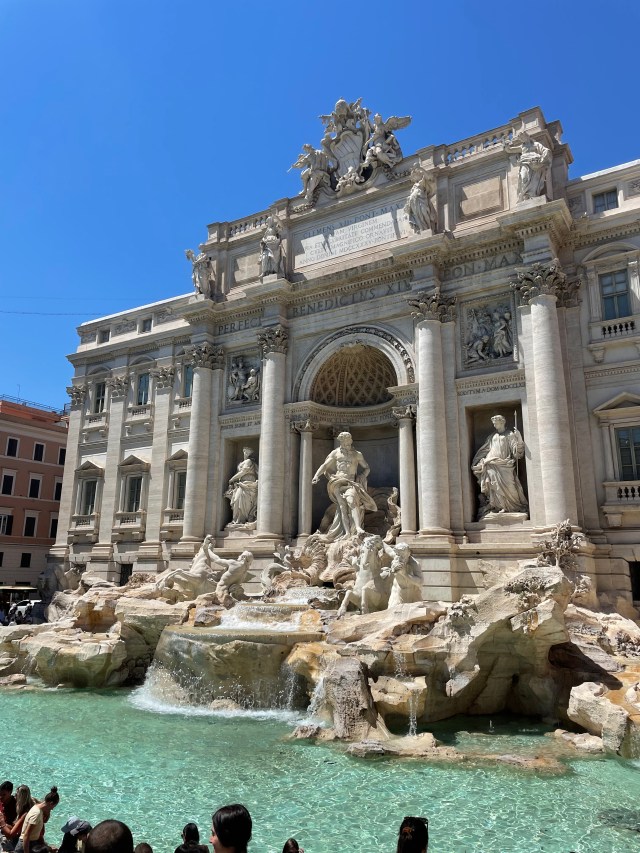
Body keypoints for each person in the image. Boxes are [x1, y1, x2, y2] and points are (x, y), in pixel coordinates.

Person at [312, 431, 377, 540]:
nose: (345, 443)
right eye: (343, 441)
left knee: (351, 501)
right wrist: (316, 476)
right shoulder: (335, 453)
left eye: (347, 440)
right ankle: (347, 532)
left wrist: (362, 476)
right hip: (338, 482)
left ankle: (357, 528)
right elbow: (325, 465)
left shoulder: (357, 454)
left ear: (350, 440)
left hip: (350, 482)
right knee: (342, 507)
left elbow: (367, 468)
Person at [471, 414, 528, 519]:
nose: (494, 425)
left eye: (496, 423)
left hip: (505, 465)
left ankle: (514, 507)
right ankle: (499, 507)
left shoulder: (509, 434)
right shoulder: (492, 436)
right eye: (493, 423)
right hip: (491, 464)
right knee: (494, 486)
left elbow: (517, 452)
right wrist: (478, 462)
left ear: (502, 422)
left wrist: (519, 438)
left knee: (510, 487)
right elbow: (485, 449)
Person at [15, 786, 59, 853]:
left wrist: (48, 848)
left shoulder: (37, 807)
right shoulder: (37, 814)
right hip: (25, 846)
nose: (52, 809)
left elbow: (38, 830)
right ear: (51, 803)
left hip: (31, 843)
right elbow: (26, 835)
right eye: (54, 806)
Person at [225, 448, 258, 525]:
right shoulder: (242, 463)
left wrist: (232, 479)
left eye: (248, 452)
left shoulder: (248, 461)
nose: (246, 453)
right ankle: (237, 520)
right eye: (245, 451)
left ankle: (242, 520)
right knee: (236, 500)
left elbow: (244, 471)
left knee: (243, 502)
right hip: (241, 483)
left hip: (248, 484)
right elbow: (240, 472)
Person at [1, 786, 35, 851]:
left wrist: (1, 820)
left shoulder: (25, 813)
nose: (14, 797)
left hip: (22, 844)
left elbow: (10, 835)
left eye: (16, 795)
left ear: (21, 798)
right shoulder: (31, 807)